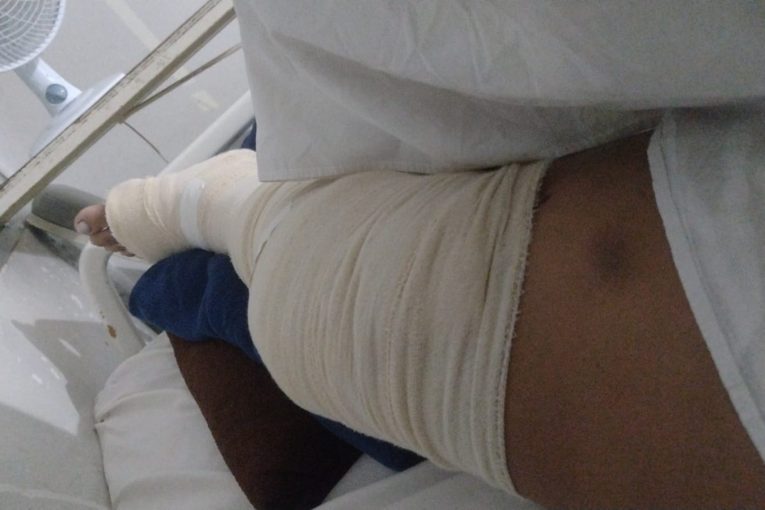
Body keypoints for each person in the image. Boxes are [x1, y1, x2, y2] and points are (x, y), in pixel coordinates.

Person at [74, 108, 765, 508]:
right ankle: (224, 203)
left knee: (268, 222)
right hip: (370, 298)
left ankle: (221, 204)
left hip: (364, 307)